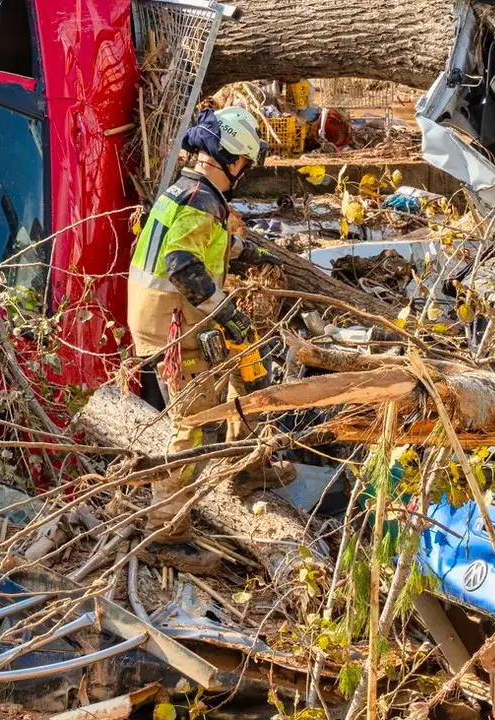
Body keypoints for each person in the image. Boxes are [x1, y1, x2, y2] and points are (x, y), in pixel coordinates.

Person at [127, 107, 287, 570]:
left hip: (176, 314)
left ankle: (247, 467)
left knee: (247, 363)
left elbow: (203, 243)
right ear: (234, 159)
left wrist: (245, 251)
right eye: (245, 164)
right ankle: (165, 533)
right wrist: (227, 310)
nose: (244, 173)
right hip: (174, 324)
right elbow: (181, 263)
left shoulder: (192, 190)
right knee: (194, 426)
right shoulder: (201, 199)